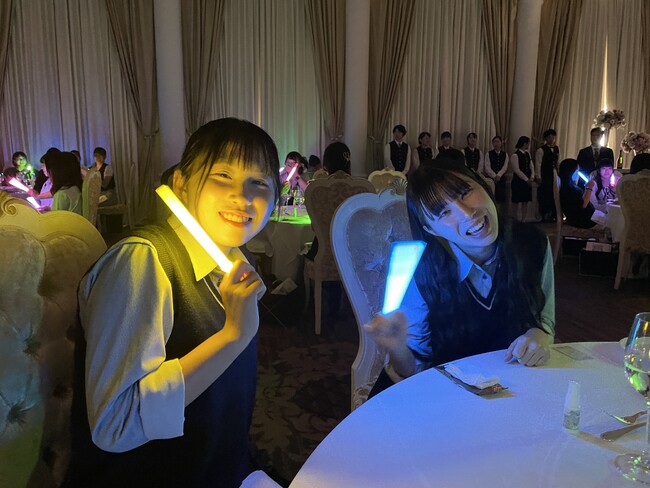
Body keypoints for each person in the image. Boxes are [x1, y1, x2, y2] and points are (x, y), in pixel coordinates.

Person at [63, 118, 280, 487]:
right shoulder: (142, 262)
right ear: (181, 182)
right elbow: (115, 424)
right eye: (222, 176)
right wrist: (232, 336)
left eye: (259, 183)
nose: (243, 197)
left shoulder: (235, 264)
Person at [364, 158, 554, 394]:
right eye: (443, 212)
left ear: (484, 186)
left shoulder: (532, 244)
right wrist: (397, 346)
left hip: (507, 388)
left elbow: (544, 320)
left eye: (465, 193)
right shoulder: (422, 270)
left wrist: (539, 334)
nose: (466, 213)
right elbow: (413, 370)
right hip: (441, 394)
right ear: (430, 229)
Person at [558, 158, 606, 228]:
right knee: (609, 221)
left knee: (607, 216)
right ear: (570, 171)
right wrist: (589, 188)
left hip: (587, 216)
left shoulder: (570, 185)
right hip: (583, 220)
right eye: (576, 171)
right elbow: (583, 205)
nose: (578, 173)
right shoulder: (568, 189)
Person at [535, 129, 560, 222]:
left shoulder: (556, 148)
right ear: (546, 138)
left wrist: (558, 173)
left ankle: (552, 214)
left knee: (554, 194)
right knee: (544, 194)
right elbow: (538, 164)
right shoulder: (541, 150)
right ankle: (543, 214)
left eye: (553, 137)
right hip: (545, 174)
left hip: (554, 174)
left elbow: (558, 161)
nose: (552, 139)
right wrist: (538, 176)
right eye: (549, 137)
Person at [510, 136, 534, 221]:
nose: (528, 145)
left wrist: (532, 176)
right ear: (524, 144)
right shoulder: (515, 155)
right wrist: (526, 179)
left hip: (527, 181)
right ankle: (515, 219)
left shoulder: (527, 154)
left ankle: (523, 219)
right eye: (528, 143)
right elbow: (516, 170)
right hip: (518, 181)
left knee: (525, 201)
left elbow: (531, 166)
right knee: (516, 201)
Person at [483, 136, 509, 206]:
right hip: (491, 179)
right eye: (494, 142)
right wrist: (494, 176)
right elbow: (487, 167)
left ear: (501, 143)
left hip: (501, 178)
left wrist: (499, 175)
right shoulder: (488, 154)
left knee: (500, 198)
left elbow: (505, 167)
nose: (496, 144)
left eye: (497, 142)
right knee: (491, 197)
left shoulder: (505, 154)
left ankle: (499, 212)